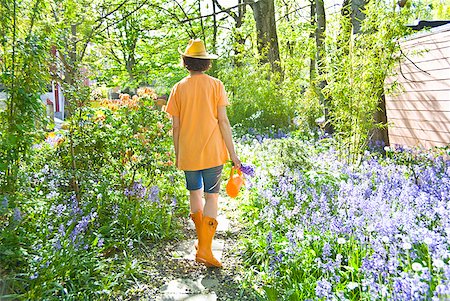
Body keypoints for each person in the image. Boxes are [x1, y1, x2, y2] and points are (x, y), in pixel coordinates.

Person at [165, 39, 241, 268]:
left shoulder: (178, 88)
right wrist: (233, 154)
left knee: (194, 194)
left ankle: (202, 245)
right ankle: (206, 249)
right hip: (212, 151)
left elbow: (175, 126)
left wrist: (179, 153)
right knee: (212, 196)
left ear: (186, 63)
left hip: (188, 152)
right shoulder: (216, 85)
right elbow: (224, 122)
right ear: (206, 63)